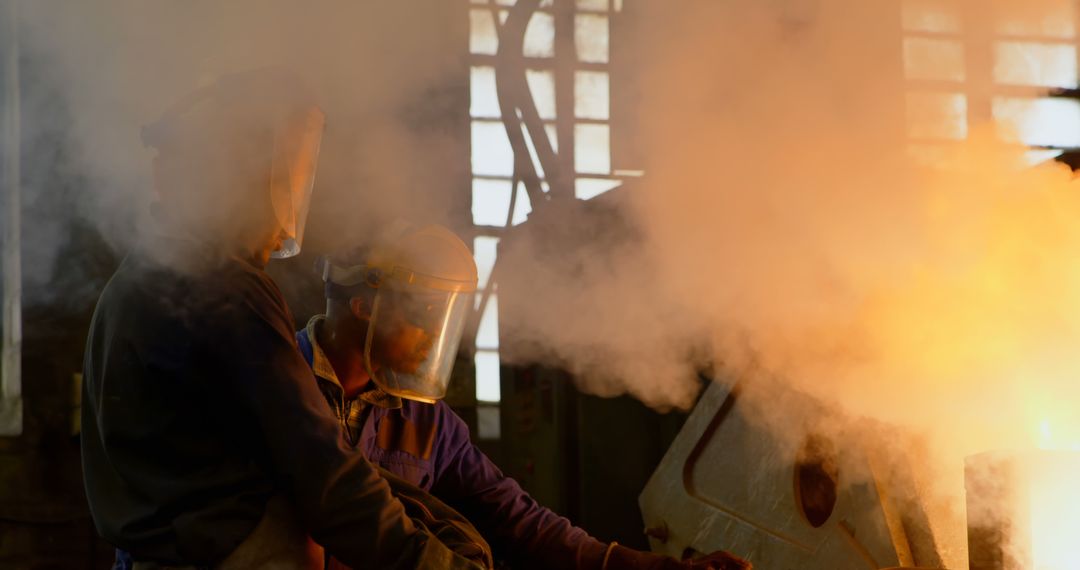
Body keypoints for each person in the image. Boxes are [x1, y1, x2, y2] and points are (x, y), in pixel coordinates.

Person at [82, 69, 485, 569]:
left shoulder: (133, 283)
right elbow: (321, 471)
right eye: (281, 185)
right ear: (237, 180)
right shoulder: (225, 290)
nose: (284, 226)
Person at [302, 222, 750, 570]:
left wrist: (656, 567)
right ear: (365, 307)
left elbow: (519, 521)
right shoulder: (279, 382)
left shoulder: (426, 422)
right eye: (424, 319)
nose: (432, 340)